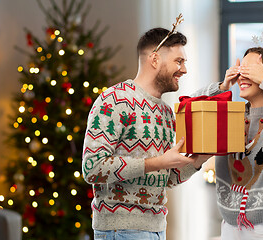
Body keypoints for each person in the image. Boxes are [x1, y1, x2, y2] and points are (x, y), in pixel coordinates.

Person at [82, 28, 211, 240]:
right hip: (120, 231)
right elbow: (92, 167)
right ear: (155, 59)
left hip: (157, 229)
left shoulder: (166, 113)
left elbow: (166, 178)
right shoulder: (114, 100)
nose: (184, 69)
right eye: (179, 61)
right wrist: (158, 162)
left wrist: (198, 161)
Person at [190, 47, 263, 239]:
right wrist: (222, 86)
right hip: (228, 228)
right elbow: (191, 107)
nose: (243, 76)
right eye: (241, 70)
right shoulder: (230, 117)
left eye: (251, 70)